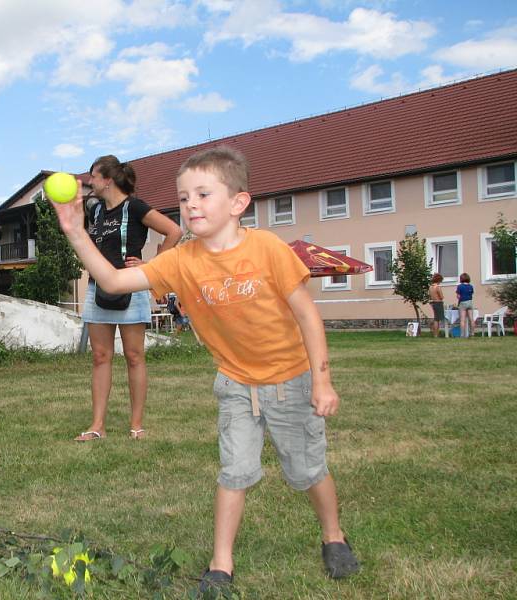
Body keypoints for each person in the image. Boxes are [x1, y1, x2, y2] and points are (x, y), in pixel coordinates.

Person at [50, 146, 359, 590]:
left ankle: (333, 536)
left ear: (237, 203)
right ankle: (220, 564)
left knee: (307, 470)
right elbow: (115, 281)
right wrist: (75, 232)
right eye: (183, 196)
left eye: (202, 194)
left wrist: (322, 380)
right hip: (235, 383)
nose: (189, 203)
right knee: (234, 471)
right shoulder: (182, 260)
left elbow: (307, 315)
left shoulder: (268, 248)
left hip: (291, 379)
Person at [75, 155, 182, 442]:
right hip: (98, 289)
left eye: (93, 177)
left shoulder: (134, 206)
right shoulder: (95, 210)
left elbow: (174, 231)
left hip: (131, 290)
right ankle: (97, 425)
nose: (90, 182)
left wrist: (152, 268)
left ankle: (137, 425)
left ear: (107, 180)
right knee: (100, 357)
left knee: (134, 357)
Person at [456, 272, 475, 338]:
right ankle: (472, 333)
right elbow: (471, 294)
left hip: (463, 302)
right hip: (470, 302)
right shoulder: (471, 286)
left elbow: (458, 296)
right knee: (471, 319)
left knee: (462, 320)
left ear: (461, 279)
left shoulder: (459, 286)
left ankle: (462, 335)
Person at [429, 273, 445, 338]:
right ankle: (436, 334)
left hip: (433, 303)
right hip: (438, 303)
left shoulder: (430, 287)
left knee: (436, 318)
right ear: (439, 280)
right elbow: (441, 296)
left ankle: (435, 334)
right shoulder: (438, 287)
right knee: (437, 319)